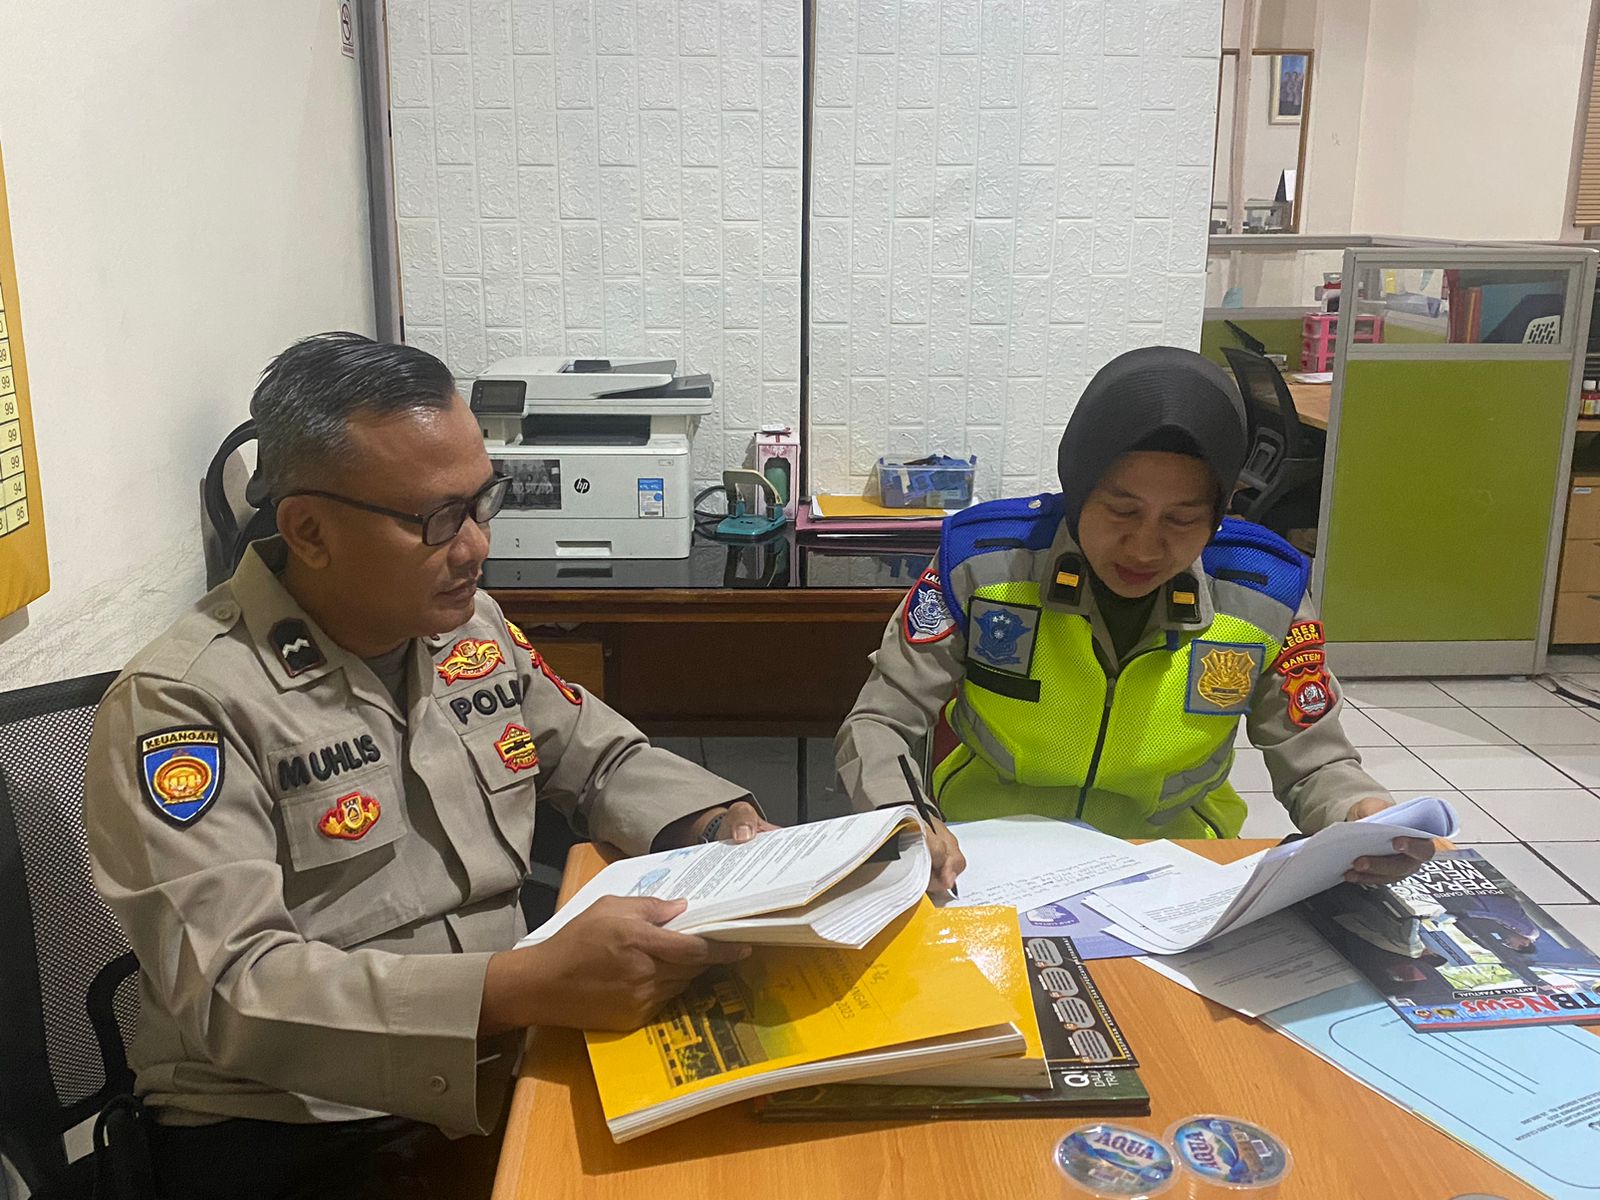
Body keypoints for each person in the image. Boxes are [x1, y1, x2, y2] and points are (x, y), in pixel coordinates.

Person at [84, 333, 774, 1199]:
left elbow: (598, 756)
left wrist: (721, 826)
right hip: (296, 1130)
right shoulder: (184, 705)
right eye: (437, 519)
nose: (476, 545)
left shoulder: (466, 627)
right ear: (309, 530)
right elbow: (235, 990)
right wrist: (520, 986)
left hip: (501, 1064)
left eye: (482, 502)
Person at [835, 346, 1434, 892]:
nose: (1145, 548)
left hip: (1178, 866)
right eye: (1122, 510)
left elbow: (1316, 761)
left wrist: (1360, 813)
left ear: (1219, 512)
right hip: (982, 858)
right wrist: (903, 817)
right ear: (1077, 491)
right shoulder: (985, 561)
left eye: (1181, 519)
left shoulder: (1264, 589)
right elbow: (881, 721)